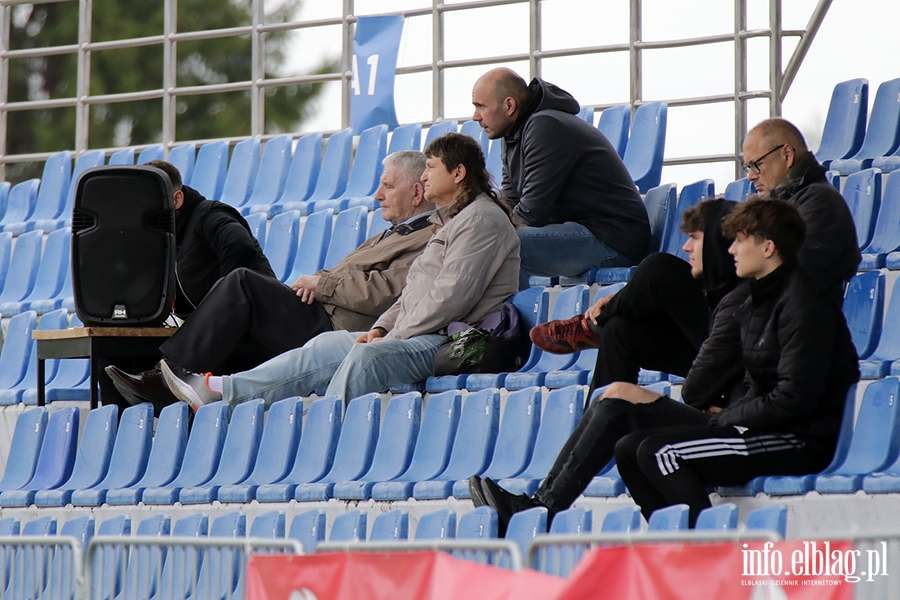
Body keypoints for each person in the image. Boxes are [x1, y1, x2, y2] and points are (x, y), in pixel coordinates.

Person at [476, 199, 859, 531]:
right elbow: (729, 384)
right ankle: (542, 508)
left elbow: (793, 399)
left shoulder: (803, 304)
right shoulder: (752, 300)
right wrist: (732, 409)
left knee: (659, 452)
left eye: (740, 240)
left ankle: (704, 559)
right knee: (626, 440)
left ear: (769, 247)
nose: (731, 250)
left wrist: (731, 414)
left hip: (792, 438)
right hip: (753, 422)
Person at [156, 132, 520, 410]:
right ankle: (219, 390)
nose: (424, 179)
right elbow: (412, 291)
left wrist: (390, 335)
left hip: (439, 338)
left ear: (457, 173)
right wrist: (379, 327)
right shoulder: (449, 221)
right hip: (401, 329)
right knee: (324, 347)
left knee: (360, 353)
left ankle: (322, 431)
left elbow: (450, 299)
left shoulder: (480, 221)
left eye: (431, 168)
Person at [470, 198, 748, 535]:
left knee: (658, 269)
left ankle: (593, 328)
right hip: (721, 406)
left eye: (697, 238)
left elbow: (720, 386)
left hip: (737, 426)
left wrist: (728, 410)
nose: (687, 246)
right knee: (621, 334)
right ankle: (548, 494)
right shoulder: (722, 298)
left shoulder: (744, 304)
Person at [531, 117, 860, 393]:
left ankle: (592, 321)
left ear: (786, 154)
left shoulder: (820, 203)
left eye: (756, 165)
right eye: (746, 167)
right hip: (738, 330)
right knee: (621, 332)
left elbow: (789, 278)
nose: (749, 175)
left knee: (660, 269)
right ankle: (598, 438)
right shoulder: (781, 203)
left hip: (766, 340)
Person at [107, 151, 436, 408]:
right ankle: (156, 399)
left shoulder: (430, 238)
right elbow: (347, 273)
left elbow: (391, 291)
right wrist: (317, 280)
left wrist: (321, 285)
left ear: (417, 192)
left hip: (337, 326)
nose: (377, 194)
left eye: (388, 186)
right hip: (320, 311)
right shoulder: (393, 234)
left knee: (242, 284)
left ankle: (168, 377)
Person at [100, 159, 275, 410]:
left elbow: (239, 247)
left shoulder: (210, 215)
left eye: (148, 205)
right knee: (113, 351)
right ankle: (124, 434)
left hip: (247, 339)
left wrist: (219, 307)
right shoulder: (160, 240)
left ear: (177, 200)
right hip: (206, 342)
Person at [471, 68, 651, 288]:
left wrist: (479, 230)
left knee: (495, 243)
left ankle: (496, 321)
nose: (475, 116)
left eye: (481, 106)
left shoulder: (545, 126)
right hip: (579, 231)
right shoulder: (512, 134)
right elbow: (509, 201)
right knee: (484, 239)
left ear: (509, 106)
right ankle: (506, 319)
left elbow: (531, 213)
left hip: (611, 240)